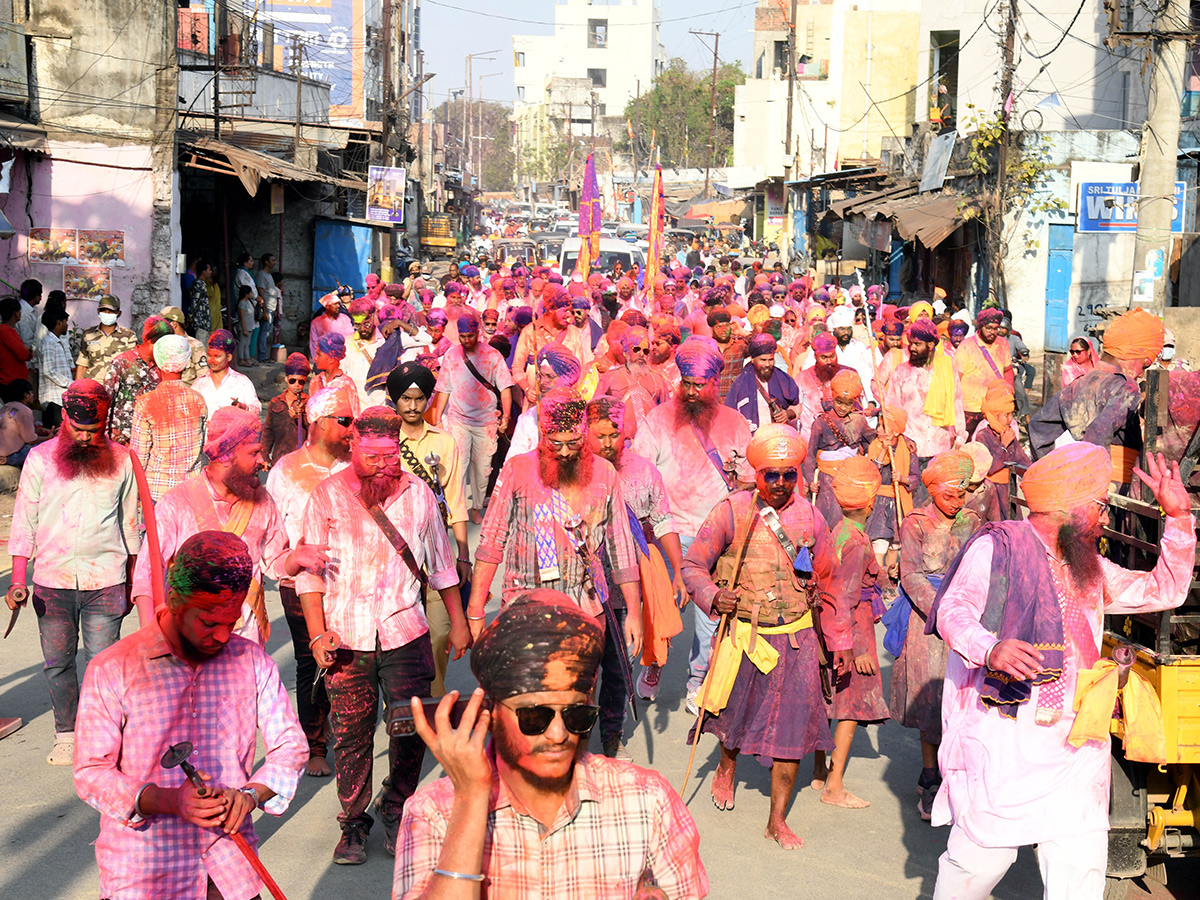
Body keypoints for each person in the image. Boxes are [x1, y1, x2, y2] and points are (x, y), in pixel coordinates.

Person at [929, 445, 1196, 900]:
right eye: (1098, 506)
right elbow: (953, 610)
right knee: (979, 864)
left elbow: (1163, 590)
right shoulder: (999, 547)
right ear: (1069, 506)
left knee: (1080, 873)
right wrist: (991, 649)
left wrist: (1179, 517)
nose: (1104, 519)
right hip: (1005, 737)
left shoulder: (1088, 567)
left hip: (1077, 748)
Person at [393, 591, 710, 900]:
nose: (559, 734)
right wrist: (471, 800)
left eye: (577, 715)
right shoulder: (433, 813)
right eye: (535, 717)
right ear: (490, 712)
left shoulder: (648, 803)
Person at [73, 531, 308, 900]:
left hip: (230, 868)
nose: (222, 636)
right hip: (144, 874)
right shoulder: (113, 668)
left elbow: (291, 746)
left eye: (231, 623)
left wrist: (248, 796)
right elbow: (90, 772)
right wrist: (169, 801)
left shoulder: (252, 662)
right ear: (176, 601)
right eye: (208, 623)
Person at [295, 406, 471, 863]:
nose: (382, 466)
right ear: (354, 448)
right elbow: (309, 578)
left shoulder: (420, 496)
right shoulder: (327, 496)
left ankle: (398, 809)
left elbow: (442, 565)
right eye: (372, 456)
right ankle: (353, 824)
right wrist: (316, 636)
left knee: (411, 729)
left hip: (405, 629)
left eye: (390, 456)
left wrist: (459, 621)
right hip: (345, 637)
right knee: (351, 735)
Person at [681, 423, 840, 849]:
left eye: (790, 474)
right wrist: (715, 596)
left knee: (790, 734)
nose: (782, 483)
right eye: (773, 475)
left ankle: (776, 821)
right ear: (757, 474)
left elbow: (829, 577)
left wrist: (835, 634)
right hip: (746, 636)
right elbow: (693, 566)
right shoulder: (730, 511)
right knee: (734, 716)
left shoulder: (811, 516)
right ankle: (726, 766)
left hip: (797, 638)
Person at [7, 380, 138, 765]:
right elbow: (24, 521)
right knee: (58, 664)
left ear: (105, 423)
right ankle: (66, 733)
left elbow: (131, 525)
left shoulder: (123, 461)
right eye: (77, 429)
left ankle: (102, 738)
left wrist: (133, 582)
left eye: (92, 431)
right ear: (64, 418)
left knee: (103, 665)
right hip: (52, 581)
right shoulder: (40, 459)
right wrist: (18, 580)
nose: (84, 438)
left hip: (107, 580)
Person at [470, 388, 643, 650]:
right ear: (542, 434)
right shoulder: (517, 470)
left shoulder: (605, 473)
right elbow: (491, 542)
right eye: (555, 443)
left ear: (584, 434)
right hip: (525, 610)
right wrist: (475, 610)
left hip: (586, 609)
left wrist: (634, 612)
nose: (563, 452)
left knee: (580, 690)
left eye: (573, 443)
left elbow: (621, 547)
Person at [632, 338, 753, 711]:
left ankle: (698, 680)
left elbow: (750, 480)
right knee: (662, 608)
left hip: (715, 536)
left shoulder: (734, 422)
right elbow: (640, 471)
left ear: (717, 383)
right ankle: (653, 664)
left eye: (700, 384)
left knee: (709, 616)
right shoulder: (657, 418)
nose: (693, 391)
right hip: (666, 529)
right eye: (687, 383)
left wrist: (739, 484)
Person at [130, 406, 317, 641]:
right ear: (228, 455)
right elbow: (148, 571)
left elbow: (274, 562)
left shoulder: (262, 500)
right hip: (192, 639)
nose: (262, 460)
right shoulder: (178, 502)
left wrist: (294, 560)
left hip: (247, 643)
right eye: (254, 453)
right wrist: (149, 632)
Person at [265, 386, 354, 779]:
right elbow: (270, 533)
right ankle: (314, 744)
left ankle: (344, 732)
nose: (353, 430)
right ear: (319, 423)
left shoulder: (354, 466)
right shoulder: (285, 470)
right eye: (346, 422)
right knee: (309, 662)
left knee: (347, 660)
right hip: (297, 582)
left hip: (349, 580)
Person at [586, 396, 685, 743]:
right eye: (599, 436)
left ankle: (612, 739)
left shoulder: (644, 471)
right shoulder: (576, 473)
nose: (607, 443)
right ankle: (579, 744)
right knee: (584, 669)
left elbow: (662, 519)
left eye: (614, 434)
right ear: (586, 434)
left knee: (617, 666)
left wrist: (678, 569)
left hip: (633, 576)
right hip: (586, 583)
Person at [891, 450, 981, 821]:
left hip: (966, 617)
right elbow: (910, 575)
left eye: (962, 495)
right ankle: (931, 776)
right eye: (949, 496)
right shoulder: (915, 524)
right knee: (931, 702)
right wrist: (941, 610)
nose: (956, 503)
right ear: (932, 490)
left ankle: (954, 774)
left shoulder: (973, 522)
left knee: (963, 699)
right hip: (927, 622)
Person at [388, 361, 472, 697]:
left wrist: (463, 553)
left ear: (428, 401)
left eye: (419, 398)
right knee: (400, 629)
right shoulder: (385, 442)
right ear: (395, 400)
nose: (412, 406)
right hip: (395, 551)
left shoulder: (446, 443)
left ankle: (430, 700)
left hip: (436, 550)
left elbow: (456, 501)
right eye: (406, 399)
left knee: (439, 631)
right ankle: (399, 700)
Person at [810, 456, 890, 808]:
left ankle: (817, 772)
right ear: (871, 501)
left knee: (827, 697)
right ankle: (835, 785)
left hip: (830, 624)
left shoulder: (836, 530)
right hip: (852, 628)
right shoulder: (856, 541)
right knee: (851, 706)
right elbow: (849, 595)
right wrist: (858, 649)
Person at [1029, 308, 1164, 489]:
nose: (1142, 373)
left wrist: (1052, 468)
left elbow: (1038, 426)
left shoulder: (1079, 383)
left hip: (1081, 481)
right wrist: (1097, 481)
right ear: (1130, 355)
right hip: (1112, 484)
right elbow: (1098, 431)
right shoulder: (1126, 387)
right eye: (1144, 363)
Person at [430, 309, 513, 525]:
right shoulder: (451, 355)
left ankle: (476, 507)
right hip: (459, 420)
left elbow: (505, 387)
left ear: (477, 332)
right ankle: (457, 510)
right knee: (457, 466)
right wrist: (438, 419)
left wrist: (505, 416)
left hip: (486, 422)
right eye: (463, 337)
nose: (467, 341)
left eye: (471, 336)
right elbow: (444, 389)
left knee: (483, 469)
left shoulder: (492, 356)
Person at [882, 319, 966, 485]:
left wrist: (960, 439)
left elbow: (957, 405)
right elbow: (891, 410)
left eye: (917, 344)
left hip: (940, 446)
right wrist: (902, 438)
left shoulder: (947, 369)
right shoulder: (901, 372)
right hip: (910, 448)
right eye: (911, 343)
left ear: (930, 345)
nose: (912, 348)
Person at [130, 334, 208, 502]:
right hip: (191, 490)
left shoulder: (145, 403)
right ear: (186, 363)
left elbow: (139, 457)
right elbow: (200, 446)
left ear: (157, 363)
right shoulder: (198, 400)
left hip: (157, 492)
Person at [803, 369, 875, 528]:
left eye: (848, 403)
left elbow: (873, 442)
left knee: (849, 523)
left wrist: (902, 440)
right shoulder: (821, 422)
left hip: (850, 481)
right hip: (826, 480)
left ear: (854, 402)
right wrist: (810, 481)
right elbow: (810, 456)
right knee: (826, 523)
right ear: (833, 398)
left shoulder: (859, 421)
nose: (842, 407)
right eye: (839, 402)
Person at [512, 288, 592, 407]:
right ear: (550, 309)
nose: (569, 316)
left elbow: (579, 370)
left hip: (565, 405)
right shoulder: (530, 332)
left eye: (570, 311)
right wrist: (527, 389)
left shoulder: (574, 332)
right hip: (536, 405)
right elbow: (517, 367)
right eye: (565, 311)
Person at [104, 316, 172, 447]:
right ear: (152, 343)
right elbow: (106, 402)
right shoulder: (122, 363)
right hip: (121, 442)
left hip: (149, 442)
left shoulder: (162, 366)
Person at [507, 344, 582, 459]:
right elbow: (513, 462)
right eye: (540, 376)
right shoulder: (529, 419)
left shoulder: (583, 417)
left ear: (567, 379)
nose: (542, 382)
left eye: (550, 377)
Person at [594, 326, 671, 435]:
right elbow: (595, 413)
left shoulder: (658, 380)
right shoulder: (610, 378)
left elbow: (667, 417)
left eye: (645, 350)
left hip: (650, 445)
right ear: (625, 351)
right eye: (636, 349)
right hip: (620, 444)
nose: (641, 354)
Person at [971, 380, 1029, 519]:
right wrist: (1003, 445)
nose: (1010, 420)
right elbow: (989, 468)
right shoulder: (982, 436)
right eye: (1006, 415)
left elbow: (1023, 462)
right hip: (990, 495)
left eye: (1011, 414)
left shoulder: (1008, 434)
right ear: (994, 415)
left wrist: (1038, 473)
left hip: (1008, 491)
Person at [953, 308, 1013, 435]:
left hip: (995, 407)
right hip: (970, 409)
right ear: (980, 327)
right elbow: (956, 378)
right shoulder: (966, 346)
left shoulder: (1003, 344)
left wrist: (1009, 395)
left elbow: (1008, 370)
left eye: (996, 328)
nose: (993, 332)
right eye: (989, 328)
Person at [724, 333, 799, 434]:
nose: (767, 364)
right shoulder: (740, 383)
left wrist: (788, 413)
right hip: (752, 439)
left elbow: (797, 405)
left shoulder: (783, 379)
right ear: (753, 359)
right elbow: (730, 414)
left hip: (779, 438)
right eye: (763, 360)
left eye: (771, 360)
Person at [795, 332, 856, 447]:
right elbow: (797, 408)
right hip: (811, 443)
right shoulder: (802, 378)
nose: (829, 361)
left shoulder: (849, 375)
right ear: (815, 357)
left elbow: (856, 409)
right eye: (824, 357)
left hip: (843, 443)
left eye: (832, 356)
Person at [192, 329, 263, 418]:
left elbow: (257, 408)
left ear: (229, 357)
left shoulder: (242, 382)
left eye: (217, 356)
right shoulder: (199, 384)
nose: (212, 360)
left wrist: (244, 407)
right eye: (209, 355)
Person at [76, 295, 137, 382]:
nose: (107, 314)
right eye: (103, 310)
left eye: (111, 311)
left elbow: (132, 365)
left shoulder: (128, 336)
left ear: (119, 313)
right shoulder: (89, 334)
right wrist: (76, 390)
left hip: (116, 386)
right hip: (92, 385)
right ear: (98, 311)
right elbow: (82, 364)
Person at [264, 352, 311, 464]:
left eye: (301, 382)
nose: (297, 385)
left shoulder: (310, 402)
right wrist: (264, 456)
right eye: (292, 381)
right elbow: (268, 431)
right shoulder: (275, 402)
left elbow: (314, 431)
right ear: (286, 379)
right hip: (279, 459)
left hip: (301, 460)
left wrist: (301, 416)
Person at [344, 298, 383, 409]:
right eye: (357, 325)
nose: (362, 329)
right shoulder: (348, 344)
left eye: (366, 324)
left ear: (374, 316)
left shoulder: (385, 342)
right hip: (356, 407)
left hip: (380, 406)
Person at [38, 305, 73, 429]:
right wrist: (69, 383)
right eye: (65, 322)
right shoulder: (49, 342)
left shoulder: (56, 341)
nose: (67, 325)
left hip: (60, 398)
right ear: (59, 323)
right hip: (53, 400)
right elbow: (49, 371)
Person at [160, 305, 208, 385]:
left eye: (164, 324)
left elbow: (203, 375)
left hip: (187, 394)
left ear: (174, 324)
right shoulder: (163, 345)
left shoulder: (195, 346)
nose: (161, 327)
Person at [709, 306, 748, 403]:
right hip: (711, 401)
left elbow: (763, 345)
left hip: (733, 400)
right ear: (712, 329)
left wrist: (742, 332)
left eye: (726, 325)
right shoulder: (706, 347)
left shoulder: (740, 346)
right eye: (719, 326)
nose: (723, 330)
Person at [309, 291, 355, 363]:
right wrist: (316, 361)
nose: (338, 306)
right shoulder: (316, 322)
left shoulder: (345, 318)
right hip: (324, 360)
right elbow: (314, 343)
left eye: (338, 304)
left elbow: (351, 337)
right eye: (335, 304)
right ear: (327, 307)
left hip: (343, 359)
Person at [0, 295, 33, 389]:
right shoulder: (5, 330)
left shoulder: (10, 330)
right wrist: (26, 349)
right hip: (10, 380)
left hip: (15, 379)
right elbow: (22, 353)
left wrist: (26, 349)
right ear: (16, 314)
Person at [256, 252, 278, 362]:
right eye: (272, 260)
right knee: (263, 333)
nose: (274, 262)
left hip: (270, 308)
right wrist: (265, 310)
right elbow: (261, 294)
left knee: (266, 333)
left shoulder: (268, 275)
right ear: (266, 262)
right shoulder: (262, 275)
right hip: (267, 308)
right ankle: (262, 356)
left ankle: (263, 356)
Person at [186, 258, 213, 342]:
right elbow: (194, 302)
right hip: (199, 322)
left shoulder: (202, 284)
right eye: (209, 270)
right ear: (203, 271)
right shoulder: (198, 284)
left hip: (203, 323)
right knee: (201, 347)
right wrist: (189, 318)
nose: (210, 272)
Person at [236, 284, 257, 366]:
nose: (252, 294)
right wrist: (244, 329)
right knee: (242, 343)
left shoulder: (249, 302)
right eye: (250, 293)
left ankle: (247, 358)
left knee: (247, 343)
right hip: (245, 327)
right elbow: (242, 318)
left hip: (250, 326)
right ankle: (241, 359)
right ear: (246, 294)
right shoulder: (242, 303)